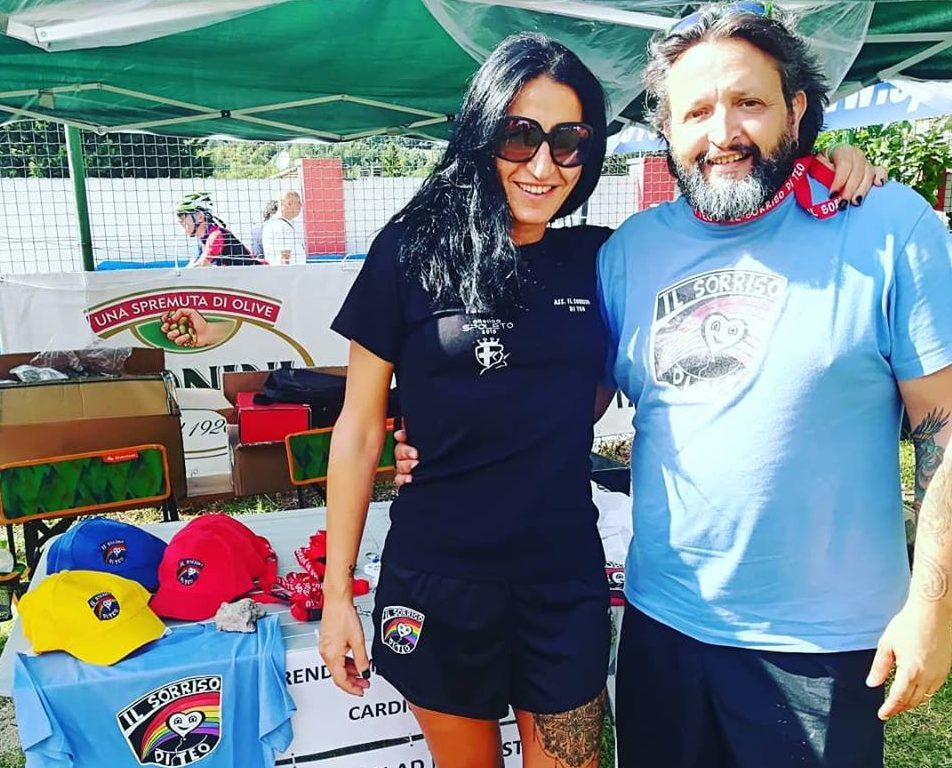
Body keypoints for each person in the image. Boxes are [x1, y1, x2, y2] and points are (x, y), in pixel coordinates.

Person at [328, 29, 880, 768]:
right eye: (519, 136)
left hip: (561, 577)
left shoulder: (599, 257)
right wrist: (338, 594)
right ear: (482, 132)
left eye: (569, 142)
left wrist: (820, 158)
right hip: (439, 576)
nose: (543, 165)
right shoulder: (410, 251)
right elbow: (359, 429)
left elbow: (590, 383)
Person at [595, 5, 951, 768]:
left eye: (748, 102)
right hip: (663, 627)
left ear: (796, 109)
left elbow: (944, 430)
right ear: (666, 129)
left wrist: (933, 608)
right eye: (695, 111)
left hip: (821, 650)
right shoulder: (629, 253)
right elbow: (563, 404)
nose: (722, 132)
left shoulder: (887, 225)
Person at [175, 192, 266, 267]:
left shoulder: (216, 236)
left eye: (182, 215)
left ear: (200, 217)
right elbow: (191, 266)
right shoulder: (203, 239)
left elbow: (200, 266)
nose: (179, 221)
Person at [262, 190, 306, 265]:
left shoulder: (273, 224)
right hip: (291, 272)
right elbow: (284, 259)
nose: (301, 205)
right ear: (289, 203)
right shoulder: (282, 227)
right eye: (298, 202)